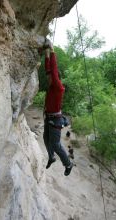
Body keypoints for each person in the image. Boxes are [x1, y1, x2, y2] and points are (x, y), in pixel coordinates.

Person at [42, 40, 73, 176]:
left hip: (55, 121)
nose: (48, 79)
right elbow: (48, 70)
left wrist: (53, 50)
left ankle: (68, 164)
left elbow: (53, 72)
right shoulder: (51, 86)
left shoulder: (58, 88)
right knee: (45, 138)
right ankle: (51, 157)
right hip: (49, 118)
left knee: (55, 144)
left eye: (51, 78)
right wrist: (47, 54)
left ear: (56, 79)